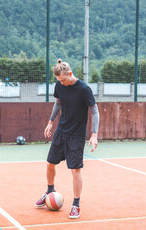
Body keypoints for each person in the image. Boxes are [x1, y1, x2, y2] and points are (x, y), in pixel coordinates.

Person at [35, 59, 99, 219]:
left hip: (76, 136)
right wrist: (50, 122)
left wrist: (94, 134)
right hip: (61, 132)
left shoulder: (84, 89)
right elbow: (58, 103)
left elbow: (95, 111)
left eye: (63, 80)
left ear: (70, 74)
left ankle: (76, 204)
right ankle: (49, 191)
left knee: (75, 171)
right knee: (50, 164)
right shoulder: (59, 86)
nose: (61, 83)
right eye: (59, 81)